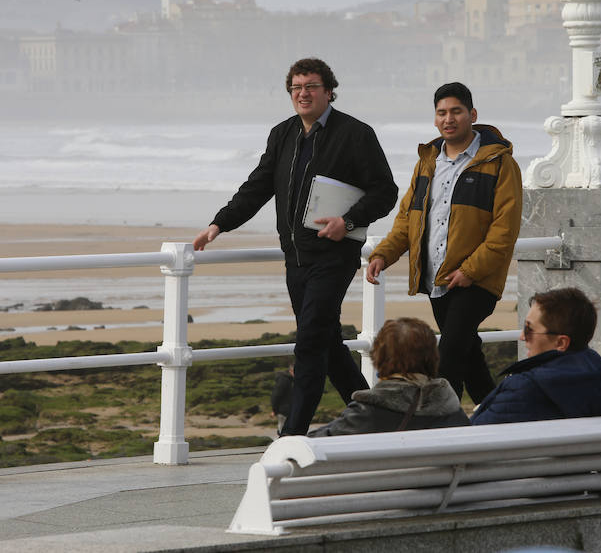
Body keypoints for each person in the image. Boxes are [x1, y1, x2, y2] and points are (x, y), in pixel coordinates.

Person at [193, 57, 398, 436]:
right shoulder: (283, 134)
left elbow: (385, 192)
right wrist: (219, 223)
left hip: (333, 257)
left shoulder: (355, 134)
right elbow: (258, 186)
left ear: (329, 91)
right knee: (328, 342)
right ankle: (377, 418)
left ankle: (291, 437)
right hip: (296, 259)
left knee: (307, 345)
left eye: (311, 87)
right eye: (296, 88)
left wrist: (347, 221)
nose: (303, 94)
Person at [365, 82, 522, 404]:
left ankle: (439, 428)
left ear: (472, 115)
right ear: (435, 119)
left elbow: (504, 229)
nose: (448, 118)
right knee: (469, 357)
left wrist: (469, 270)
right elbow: (408, 218)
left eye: (456, 111)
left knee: (447, 359)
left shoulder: (500, 163)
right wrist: (384, 254)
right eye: (442, 113)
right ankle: (497, 419)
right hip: (438, 279)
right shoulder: (428, 162)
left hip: (476, 280)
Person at [470, 287, 601, 425]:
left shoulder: (525, 389)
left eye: (529, 329)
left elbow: (468, 441)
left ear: (561, 343)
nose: (522, 336)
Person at [308, 318, 471, 437]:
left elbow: (316, 444)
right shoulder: (452, 409)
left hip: (390, 484)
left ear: (380, 357)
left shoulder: (367, 412)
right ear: (433, 356)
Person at [270, 363, 294, 436]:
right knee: (283, 431)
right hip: (282, 410)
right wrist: (274, 410)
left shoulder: (291, 380)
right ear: (291, 371)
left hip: (289, 410)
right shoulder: (284, 380)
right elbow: (275, 395)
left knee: (287, 431)